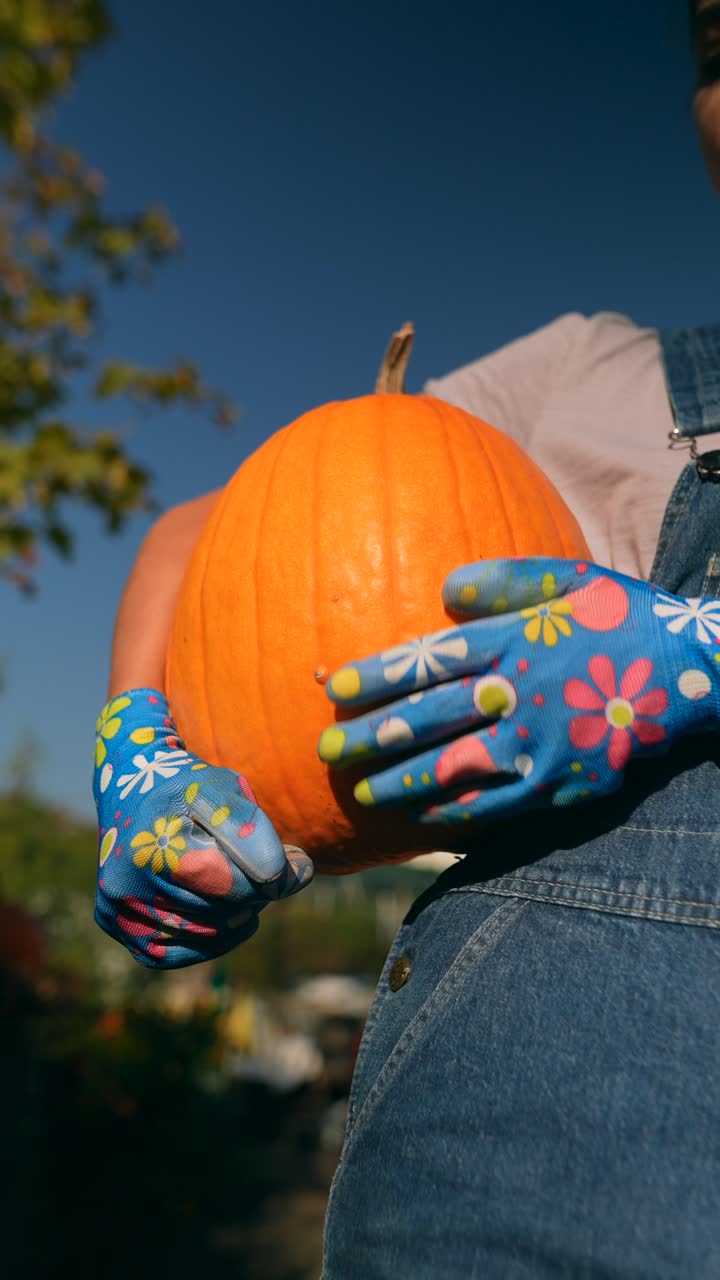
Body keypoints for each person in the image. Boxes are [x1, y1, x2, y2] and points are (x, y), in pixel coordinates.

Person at [93, 1, 720, 1273]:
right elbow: (211, 534)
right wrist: (137, 746)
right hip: (524, 1139)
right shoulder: (588, 373)